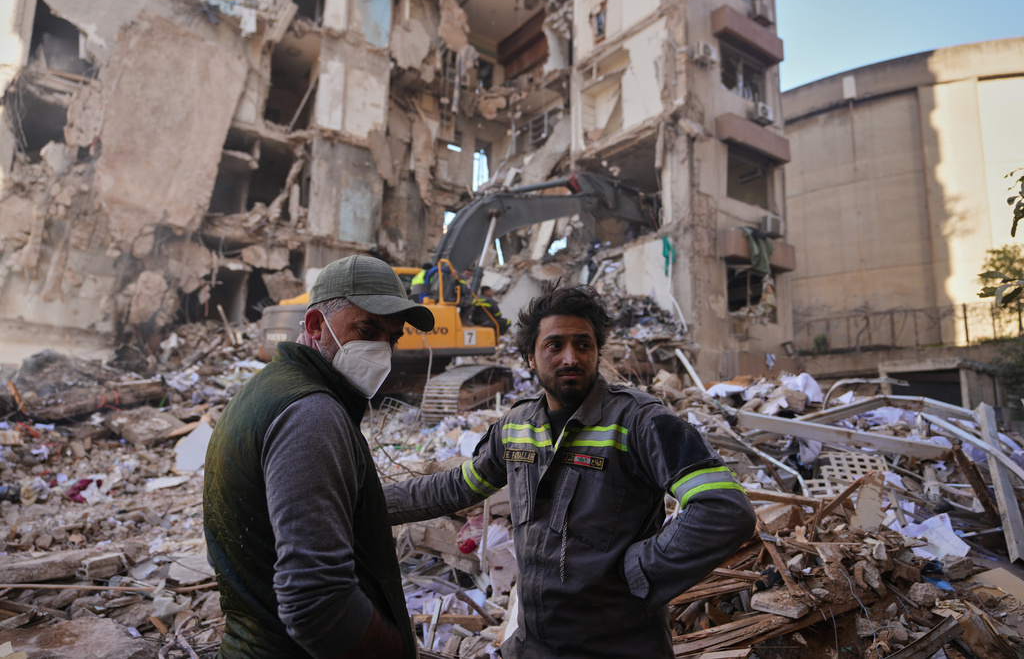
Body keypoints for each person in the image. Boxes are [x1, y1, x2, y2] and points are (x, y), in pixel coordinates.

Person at [385, 281, 756, 658]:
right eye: (554, 345)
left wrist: (638, 570)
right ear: (530, 357)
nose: (570, 358)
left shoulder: (640, 422)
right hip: (536, 644)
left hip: (619, 646)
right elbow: (459, 487)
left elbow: (724, 510)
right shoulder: (516, 427)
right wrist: (369, 501)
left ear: (597, 353)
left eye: (583, 345)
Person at [204, 255, 434, 658]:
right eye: (367, 330)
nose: (382, 350)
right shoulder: (312, 414)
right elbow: (316, 604)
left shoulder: (268, 389)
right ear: (314, 325)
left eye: (392, 337)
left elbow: (339, 505)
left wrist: (479, 474)